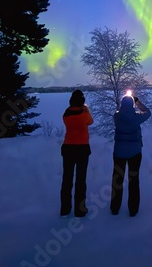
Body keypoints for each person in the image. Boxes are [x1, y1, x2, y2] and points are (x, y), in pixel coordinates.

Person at [110, 94, 151, 217]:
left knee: (117, 180)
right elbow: (148, 112)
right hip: (135, 153)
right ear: (132, 105)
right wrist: (137, 102)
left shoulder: (117, 117)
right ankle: (133, 210)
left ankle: (115, 208)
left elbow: (119, 111)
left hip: (119, 153)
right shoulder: (136, 117)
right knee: (133, 181)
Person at [60, 89, 93, 217]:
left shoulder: (66, 113)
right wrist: (86, 109)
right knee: (80, 180)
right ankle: (80, 210)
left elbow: (67, 122)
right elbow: (90, 121)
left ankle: (65, 209)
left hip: (68, 148)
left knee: (66, 179)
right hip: (82, 149)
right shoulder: (84, 113)